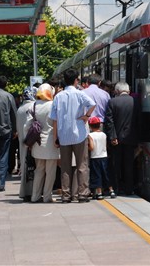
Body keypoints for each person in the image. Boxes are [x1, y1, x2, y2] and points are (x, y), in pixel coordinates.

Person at [50, 69, 96, 203]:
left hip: (63, 135)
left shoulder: (58, 96)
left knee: (65, 166)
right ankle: (82, 194)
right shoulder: (80, 94)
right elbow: (93, 104)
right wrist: (86, 116)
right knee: (82, 165)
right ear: (76, 80)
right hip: (79, 135)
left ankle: (66, 195)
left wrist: (55, 138)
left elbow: (54, 119)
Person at [105, 81, 138, 195]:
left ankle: (116, 188)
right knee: (129, 165)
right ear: (128, 91)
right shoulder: (135, 102)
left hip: (116, 139)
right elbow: (139, 121)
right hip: (131, 138)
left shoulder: (112, 102)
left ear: (117, 91)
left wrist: (113, 137)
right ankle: (129, 188)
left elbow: (109, 122)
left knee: (116, 165)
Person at [29, 84, 60, 203]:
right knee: (50, 171)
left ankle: (35, 196)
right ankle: (47, 196)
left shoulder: (34, 105)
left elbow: (28, 124)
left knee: (39, 170)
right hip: (51, 141)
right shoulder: (53, 105)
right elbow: (56, 123)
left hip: (38, 142)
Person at [87, 116, 115, 200]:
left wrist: (86, 147)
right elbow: (105, 146)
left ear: (90, 126)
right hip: (104, 156)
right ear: (99, 125)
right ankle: (111, 190)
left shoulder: (90, 135)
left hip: (95, 157)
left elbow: (91, 147)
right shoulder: (104, 134)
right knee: (106, 174)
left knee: (97, 175)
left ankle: (99, 193)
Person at [17, 86, 37, 201]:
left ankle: (24, 192)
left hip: (22, 142)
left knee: (25, 167)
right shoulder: (32, 106)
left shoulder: (20, 108)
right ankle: (32, 191)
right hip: (31, 141)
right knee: (32, 167)